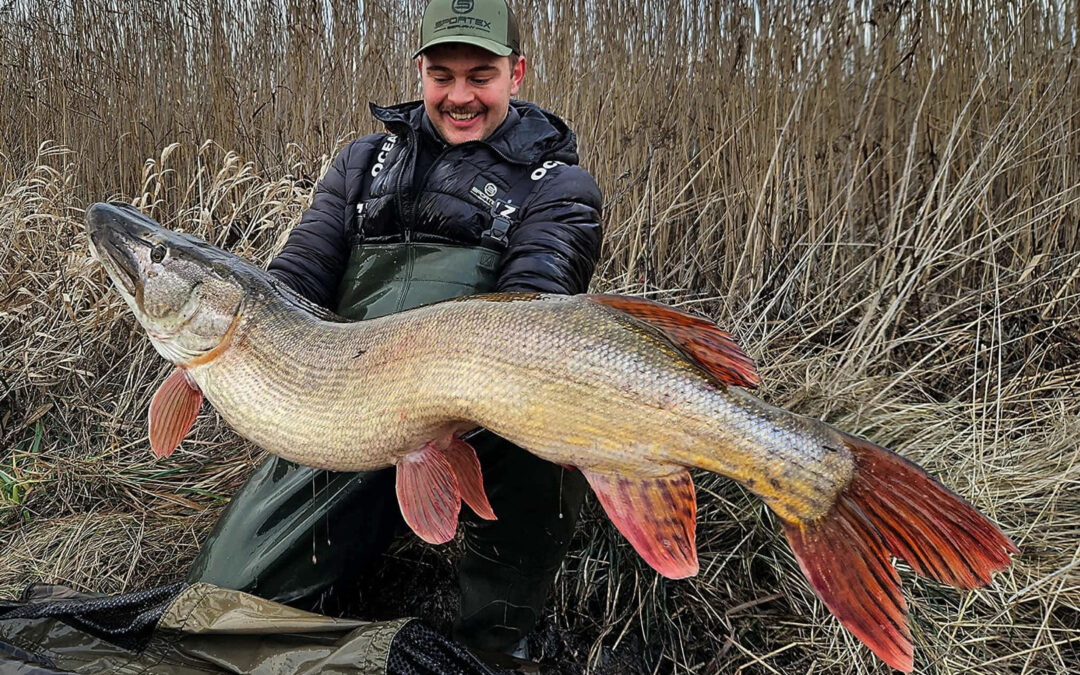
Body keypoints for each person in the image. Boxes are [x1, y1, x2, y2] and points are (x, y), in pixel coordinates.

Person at [186, 0, 603, 663]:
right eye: (442, 76)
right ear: (420, 72)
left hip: (481, 417)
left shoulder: (558, 185)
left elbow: (535, 312)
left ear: (516, 73)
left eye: (481, 76)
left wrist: (444, 400)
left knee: (554, 418)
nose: (460, 96)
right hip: (350, 407)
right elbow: (295, 281)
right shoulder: (362, 163)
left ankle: (500, 633)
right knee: (217, 609)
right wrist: (235, 347)